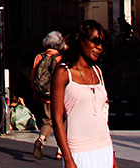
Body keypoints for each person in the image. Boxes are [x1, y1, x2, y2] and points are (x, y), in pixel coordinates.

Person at [51, 21, 117, 168]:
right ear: (81, 41)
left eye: (102, 44)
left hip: (104, 148)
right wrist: (68, 159)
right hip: (79, 152)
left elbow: (102, 116)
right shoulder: (63, 72)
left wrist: (112, 156)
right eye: (95, 42)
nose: (99, 47)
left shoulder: (98, 72)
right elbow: (56, 120)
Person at [32, 30, 66, 159]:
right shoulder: (61, 58)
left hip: (45, 95)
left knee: (47, 121)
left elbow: (33, 76)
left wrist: (35, 91)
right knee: (62, 121)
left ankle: (41, 140)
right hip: (60, 96)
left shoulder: (39, 57)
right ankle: (60, 150)